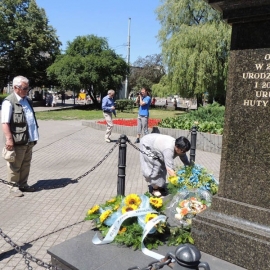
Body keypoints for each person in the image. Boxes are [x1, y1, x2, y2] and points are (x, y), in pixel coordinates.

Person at [1, 75, 39, 197]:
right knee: (15, 165)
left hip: (29, 139)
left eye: (28, 87)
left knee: (26, 163)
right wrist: (9, 140)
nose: (27, 90)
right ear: (16, 87)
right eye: (25, 88)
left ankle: (23, 184)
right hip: (17, 140)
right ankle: (13, 187)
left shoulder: (27, 100)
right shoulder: (9, 102)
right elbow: (5, 123)